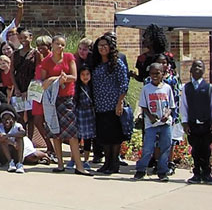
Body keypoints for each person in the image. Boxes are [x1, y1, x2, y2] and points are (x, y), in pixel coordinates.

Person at [38, 35, 92, 176]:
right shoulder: (46, 61)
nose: (59, 47)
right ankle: (60, 164)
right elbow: (43, 82)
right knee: (55, 132)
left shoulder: (69, 58)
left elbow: (74, 77)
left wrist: (64, 78)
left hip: (67, 98)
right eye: (57, 44)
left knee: (72, 133)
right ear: (52, 45)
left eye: (62, 45)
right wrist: (55, 79)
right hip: (52, 99)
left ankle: (79, 166)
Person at [89, 32, 129, 175]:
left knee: (114, 136)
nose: (102, 48)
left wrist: (120, 103)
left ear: (111, 47)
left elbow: (124, 83)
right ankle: (106, 163)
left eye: (105, 45)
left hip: (113, 105)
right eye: (100, 45)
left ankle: (114, 163)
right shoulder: (96, 63)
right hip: (100, 105)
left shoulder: (117, 62)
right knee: (104, 136)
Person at [134, 63, 176, 182]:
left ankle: (162, 171)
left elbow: (170, 105)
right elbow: (143, 106)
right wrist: (150, 117)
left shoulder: (167, 88)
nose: (155, 76)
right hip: (151, 124)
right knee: (148, 147)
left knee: (165, 147)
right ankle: (141, 170)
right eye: (152, 73)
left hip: (165, 123)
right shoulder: (146, 88)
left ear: (163, 73)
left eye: (157, 73)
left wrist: (167, 115)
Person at [180, 59, 212, 184]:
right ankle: (196, 174)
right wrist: (185, 123)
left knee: (206, 150)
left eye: (200, 67)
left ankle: (207, 173)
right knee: (195, 150)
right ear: (191, 70)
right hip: (193, 125)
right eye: (195, 66)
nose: (197, 68)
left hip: (206, 125)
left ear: (204, 70)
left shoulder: (209, 88)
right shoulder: (186, 88)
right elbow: (184, 106)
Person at [0, 105, 28, 173]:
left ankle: (19, 163)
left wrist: (9, 135)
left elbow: (23, 133)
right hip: (3, 156)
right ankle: (10, 162)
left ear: (13, 119)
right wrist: (11, 142)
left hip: (15, 152)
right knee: (2, 139)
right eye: (4, 118)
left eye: (9, 118)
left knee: (19, 138)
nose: (6, 121)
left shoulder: (17, 126)